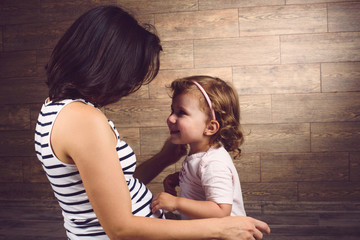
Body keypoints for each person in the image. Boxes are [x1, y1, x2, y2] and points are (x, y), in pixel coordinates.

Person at [34, 5, 270, 240]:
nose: (127, 88)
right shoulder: (83, 119)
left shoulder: (54, 108)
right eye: (129, 77)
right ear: (108, 67)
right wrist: (222, 228)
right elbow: (120, 229)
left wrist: (163, 159)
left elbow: (115, 187)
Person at [151, 76, 246, 220]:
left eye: (181, 112)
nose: (170, 118)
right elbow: (201, 179)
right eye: (172, 111)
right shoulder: (200, 155)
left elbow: (221, 211)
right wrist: (180, 179)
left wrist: (176, 203)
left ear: (210, 127)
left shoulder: (213, 163)